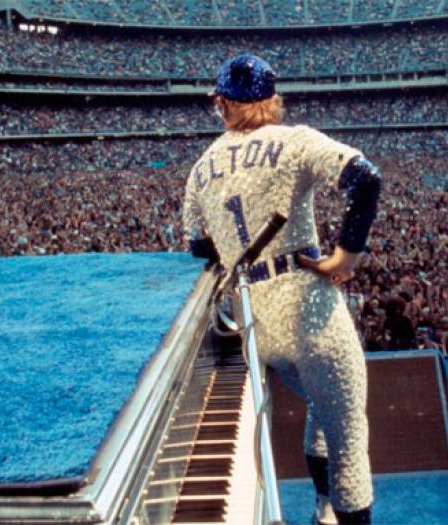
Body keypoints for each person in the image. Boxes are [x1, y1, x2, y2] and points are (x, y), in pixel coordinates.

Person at [183, 54, 381, 524]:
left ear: (223, 105)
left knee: (318, 403)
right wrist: (347, 255)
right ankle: (340, 509)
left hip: (253, 324)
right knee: (349, 437)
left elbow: (200, 248)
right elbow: (366, 179)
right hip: (309, 311)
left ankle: (323, 507)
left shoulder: (201, 168)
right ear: (273, 102)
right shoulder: (295, 140)